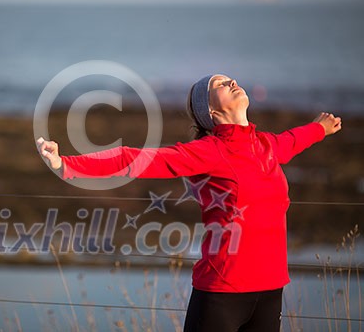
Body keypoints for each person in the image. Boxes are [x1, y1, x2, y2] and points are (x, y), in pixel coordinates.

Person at [37, 74, 342, 331]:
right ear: (209, 110)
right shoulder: (209, 151)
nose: (232, 81)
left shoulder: (267, 146)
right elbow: (136, 159)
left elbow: (293, 138)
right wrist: (65, 164)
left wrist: (320, 128)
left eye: (229, 78)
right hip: (222, 294)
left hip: (271, 289)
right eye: (220, 84)